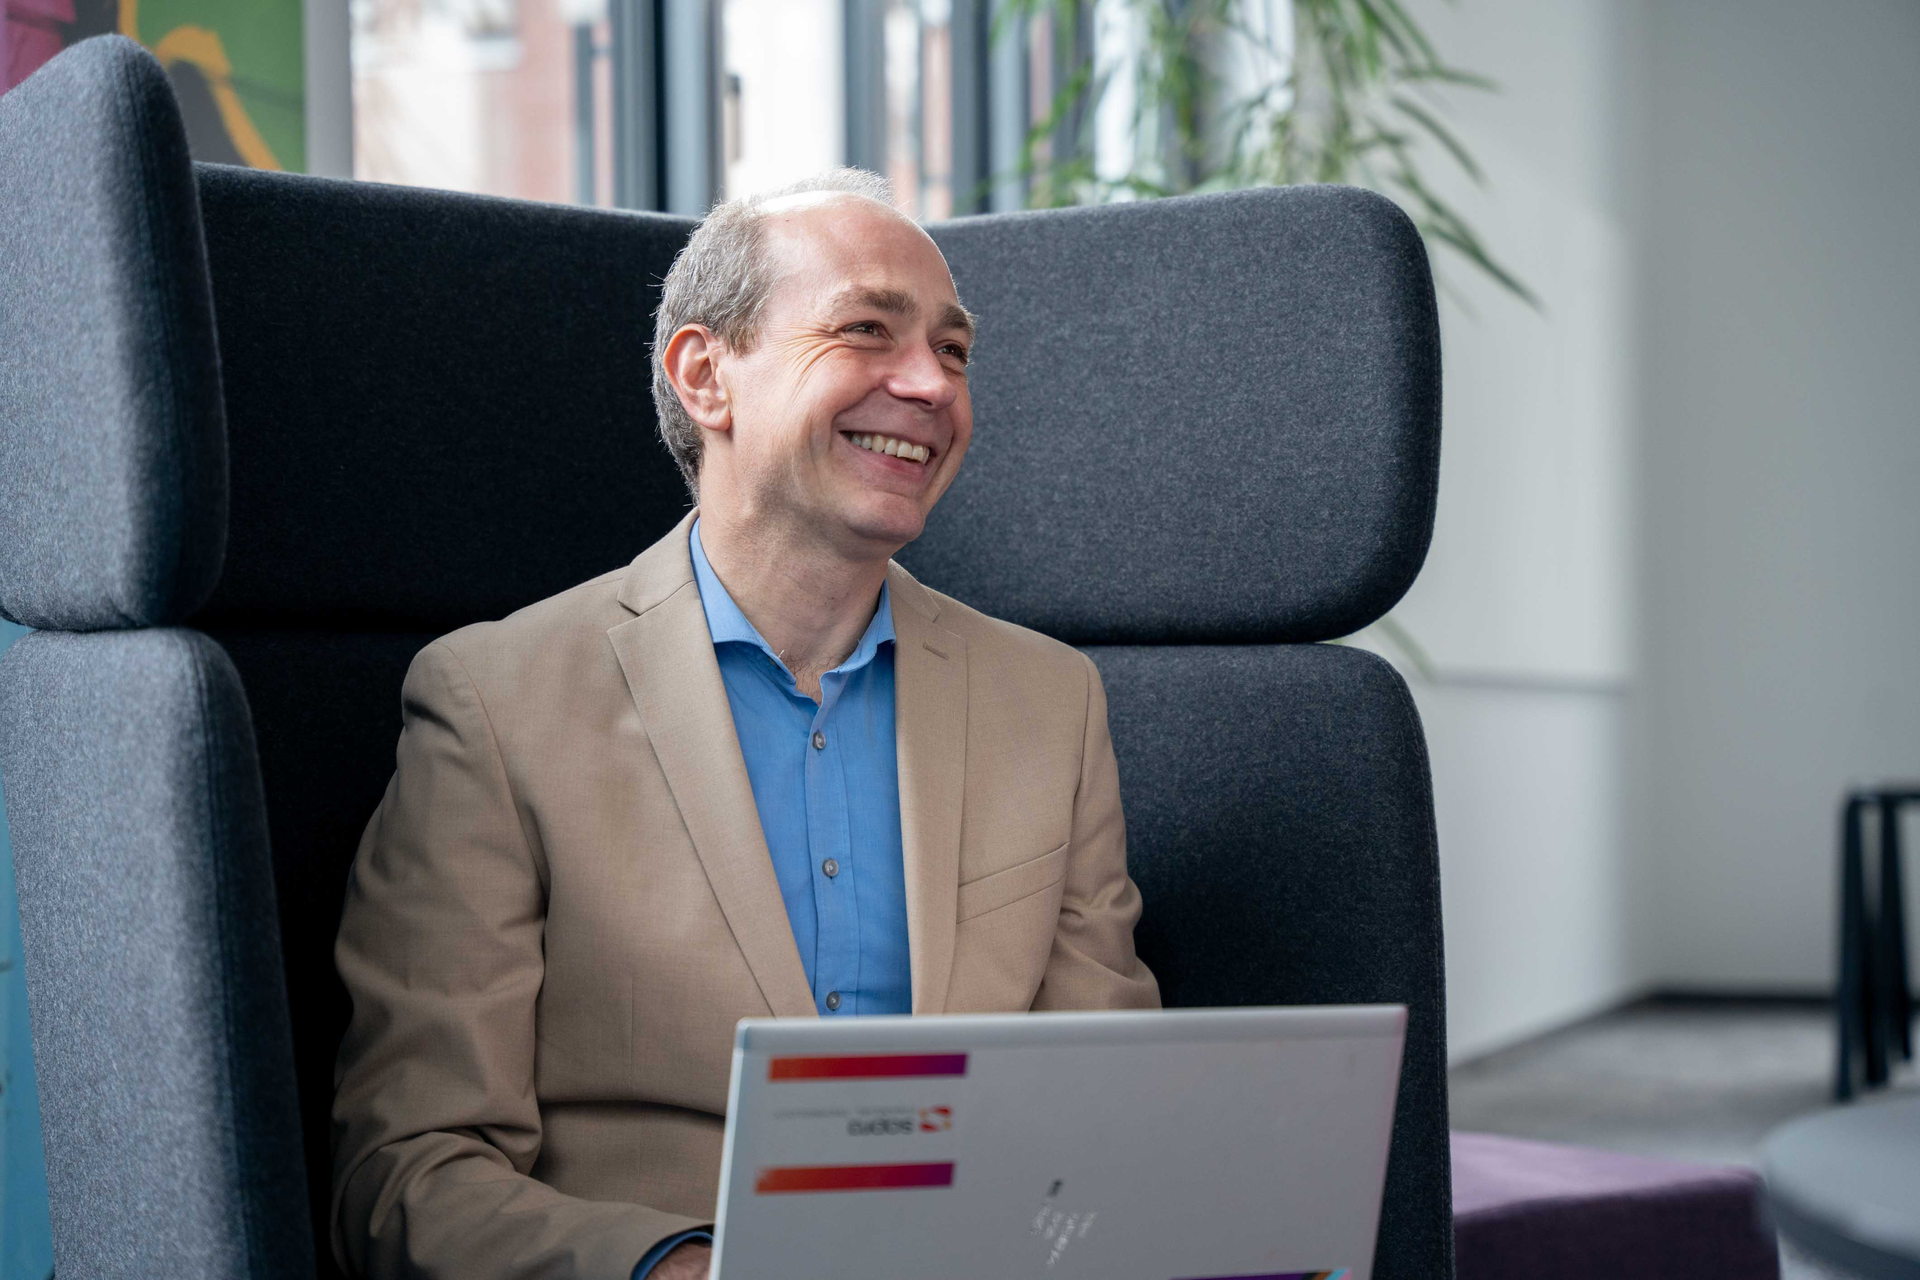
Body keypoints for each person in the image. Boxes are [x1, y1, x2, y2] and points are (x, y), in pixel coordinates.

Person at [329, 168, 1159, 1280]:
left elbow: (1105, 1118)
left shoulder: (1049, 703)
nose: (930, 384)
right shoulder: (496, 703)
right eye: (868, 329)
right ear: (706, 374)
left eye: (954, 350)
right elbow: (408, 1174)